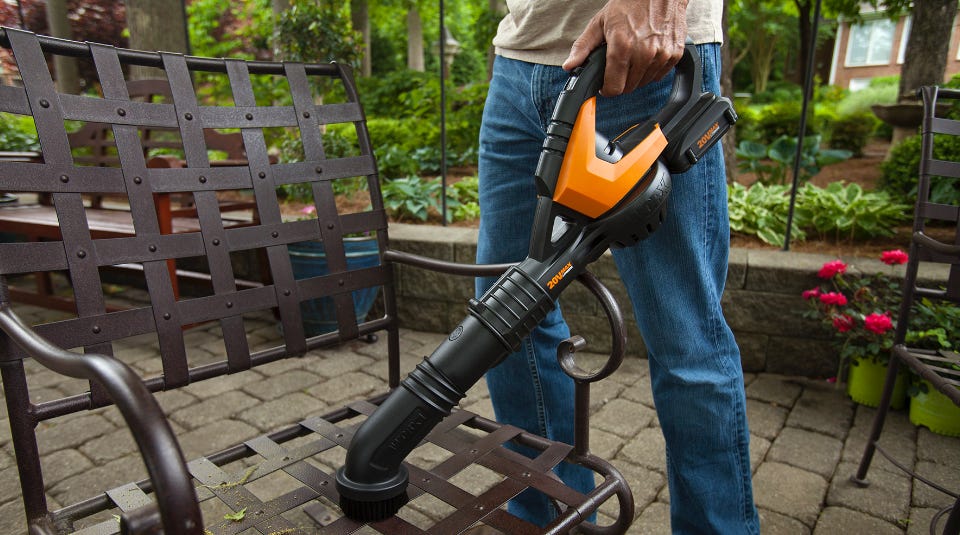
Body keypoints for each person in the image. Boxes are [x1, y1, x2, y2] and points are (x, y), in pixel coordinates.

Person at [475, 0, 761, 533]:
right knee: (508, 325)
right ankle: (554, 519)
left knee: (685, 340)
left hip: (640, 56)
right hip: (519, 62)